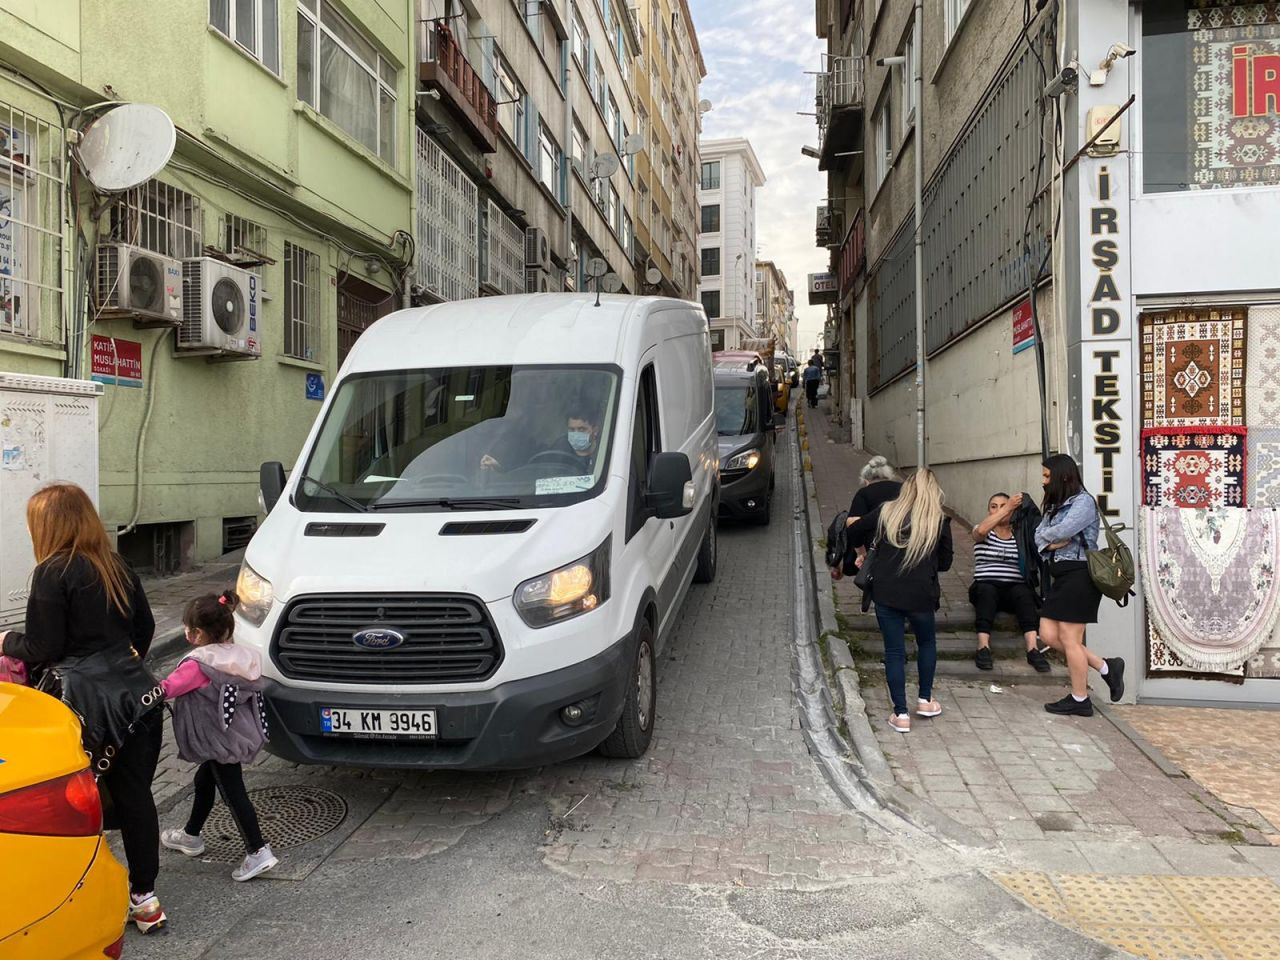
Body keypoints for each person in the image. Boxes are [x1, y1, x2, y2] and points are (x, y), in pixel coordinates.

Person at [0, 483, 167, 933]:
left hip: (84, 707)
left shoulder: (52, 572)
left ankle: (79, 893)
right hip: (139, 699)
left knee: (77, 799)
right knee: (136, 797)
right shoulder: (116, 564)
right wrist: (118, 666)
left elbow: (43, 647)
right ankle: (146, 900)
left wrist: (6, 640)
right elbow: (145, 628)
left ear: (47, 526)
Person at [159, 591, 278, 881]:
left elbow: (166, 689)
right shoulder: (239, 657)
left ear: (197, 634)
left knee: (233, 793)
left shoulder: (198, 665)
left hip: (216, 739)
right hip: (236, 734)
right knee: (204, 781)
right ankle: (191, 835)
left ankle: (257, 850)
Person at [848, 469, 954, 733]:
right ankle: (925, 700)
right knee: (926, 643)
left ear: (905, 489)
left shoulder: (886, 512)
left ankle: (901, 714)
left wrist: (862, 553)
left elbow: (853, 529)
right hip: (921, 593)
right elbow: (945, 562)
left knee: (894, 651)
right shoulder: (938, 520)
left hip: (886, 591)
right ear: (934, 491)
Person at [1035, 454, 1125, 716]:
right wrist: (1049, 542)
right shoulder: (1055, 505)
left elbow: (1063, 531)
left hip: (1080, 574)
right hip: (1062, 576)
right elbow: (1036, 536)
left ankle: (1080, 698)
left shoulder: (1083, 502)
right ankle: (1105, 667)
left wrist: (1048, 539)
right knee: (1048, 635)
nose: (1043, 481)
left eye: (1047, 476)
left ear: (1063, 476)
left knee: (1070, 639)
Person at [970, 492, 1050, 673]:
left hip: (1013, 589)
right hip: (985, 586)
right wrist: (1008, 507)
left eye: (1004, 506)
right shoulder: (983, 530)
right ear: (988, 511)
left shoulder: (1020, 534)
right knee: (987, 590)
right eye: (994, 507)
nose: (1000, 510)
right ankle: (983, 647)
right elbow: (980, 532)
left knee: (1024, 592)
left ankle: (1032, 649)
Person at [834, 456, 902, 578]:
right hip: (904, 543)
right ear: (889, 476)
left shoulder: (864, 493)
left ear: (866, 480)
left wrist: (861, 553)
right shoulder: (903, 488)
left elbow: (852, 523)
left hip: (876, 548)